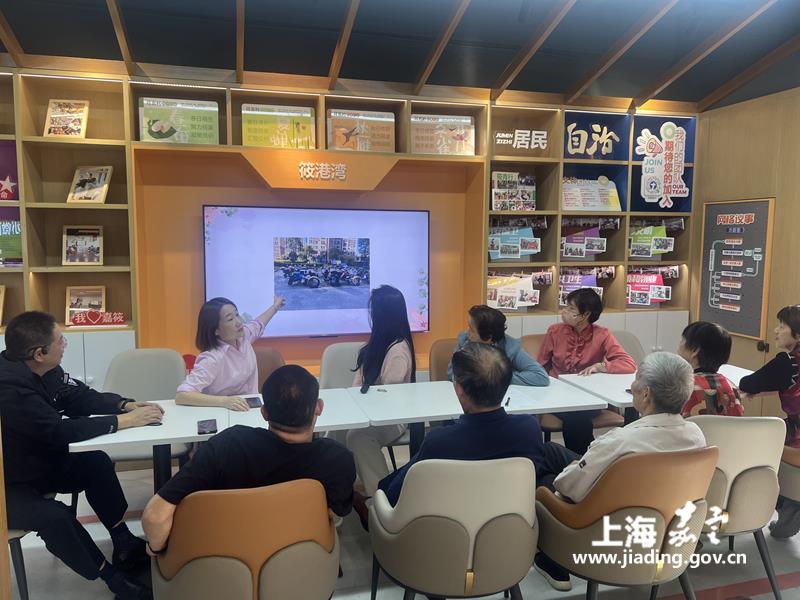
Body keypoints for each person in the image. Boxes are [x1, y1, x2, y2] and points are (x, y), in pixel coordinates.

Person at [0, 311, 165, 600]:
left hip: (32, 465)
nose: (65, 344)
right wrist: (122, 422)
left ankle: (123, 541)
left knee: (95, 463)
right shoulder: (9, 388)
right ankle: (114, 580)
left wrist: (123, 405)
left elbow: (77, 397)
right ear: (39, 353)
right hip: (7, 484)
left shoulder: (43, 369)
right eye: (60, 341)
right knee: (55, 516)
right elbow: (58, 431)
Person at [534, 352, 706, 591]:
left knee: (545, 478)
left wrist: (574, 470)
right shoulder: (696, 437)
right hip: (664, 525)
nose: (632, 385)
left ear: (646, 393)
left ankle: (552, 560)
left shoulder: (621, 441)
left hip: (603, 529)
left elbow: (569, 488)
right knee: (552, 451)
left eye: (636, 379)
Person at [142, 365, 356, 552]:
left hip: (228, 560)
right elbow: (333, 514)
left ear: (264, 412)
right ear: (319, 407)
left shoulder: (227, 445)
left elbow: (155, 517)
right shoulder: (338, 459)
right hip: (297, 560)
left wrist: (156, 550)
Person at [378, 342, 545, 506]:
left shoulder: (439, 442)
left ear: (459, 389)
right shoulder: (529, 430)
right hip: (509, 519)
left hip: (450, 522)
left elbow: (394, 495)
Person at [537, 288, 636, 454]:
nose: (564, 311)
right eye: (565, 306)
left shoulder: (602, 334)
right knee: (576, 417)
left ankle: (582, 460)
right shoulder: (555, 331)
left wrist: (601, 366)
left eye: (571, 308)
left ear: (585, 315)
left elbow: (628, 364)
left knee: (578, 416)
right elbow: (541, 365)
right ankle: (587, 458)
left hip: (589, 396)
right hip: (557, 394)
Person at [346, 286, 416, 501]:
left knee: (358, 437)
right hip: (372, 412)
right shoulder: (378, 343)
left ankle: (382, 496)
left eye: (374, 310)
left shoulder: (398, 351)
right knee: (334, 435)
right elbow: (358, 382)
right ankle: (335, 492)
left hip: (393, 417)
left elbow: (388, 398)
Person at [738, 305, 800, 538]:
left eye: (782, 326)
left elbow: (747, 383)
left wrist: (759, 388)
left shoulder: (788, 362)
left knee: (748, 445)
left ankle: (787, 506)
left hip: (797, 441)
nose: (776, 331)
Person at [176, 295, 284, 411]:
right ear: (216, 330)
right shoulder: (211, 358)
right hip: (222, 411)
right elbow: (182, 395)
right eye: (230, 319)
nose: (238, 322)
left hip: (250, 408)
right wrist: (224, 401)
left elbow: (258, 323)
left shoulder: (243, 337)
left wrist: (275, 306)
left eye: (237, 315)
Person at [447, 304, 549, 387]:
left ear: (488, 337)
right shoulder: (464, 339)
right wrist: (482, 377)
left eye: (472, 329)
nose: (467, 332)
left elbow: (540, 376)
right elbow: (452, 373)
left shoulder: (511, 347)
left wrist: (497, 377)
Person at [677, 321, 743, 417]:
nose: (679, 344)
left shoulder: (681, 387)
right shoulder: (732, 387)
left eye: (682, 340)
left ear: (695, 350)